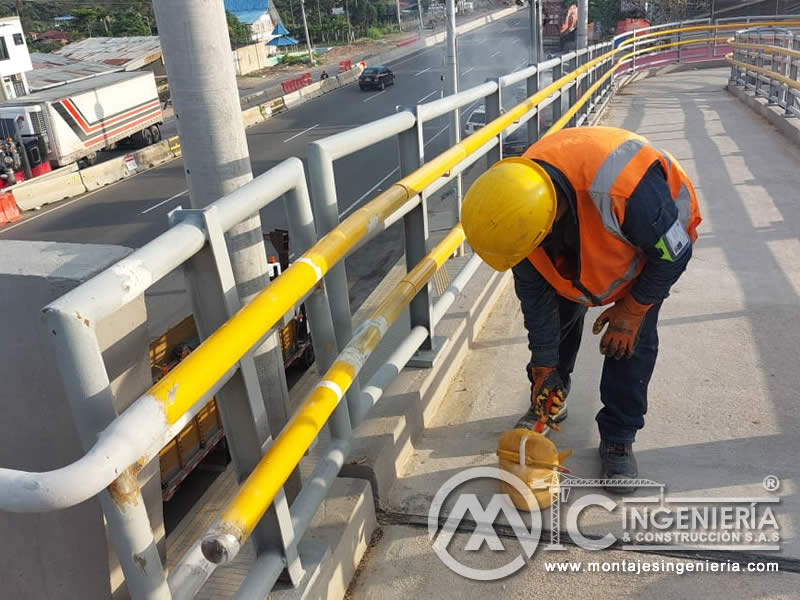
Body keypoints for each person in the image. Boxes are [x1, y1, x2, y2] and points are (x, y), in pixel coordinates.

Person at [460, 126, 701, 492]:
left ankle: (619, 436)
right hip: (588, 237)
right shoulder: (516, 209)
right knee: (555, 326)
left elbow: (674, 252)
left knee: (628, 343)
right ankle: (551, 399)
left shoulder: (626, 190)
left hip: (649, 254)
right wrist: (544, 367)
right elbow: (536, 299)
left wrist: (632, 310)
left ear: (549, 221)